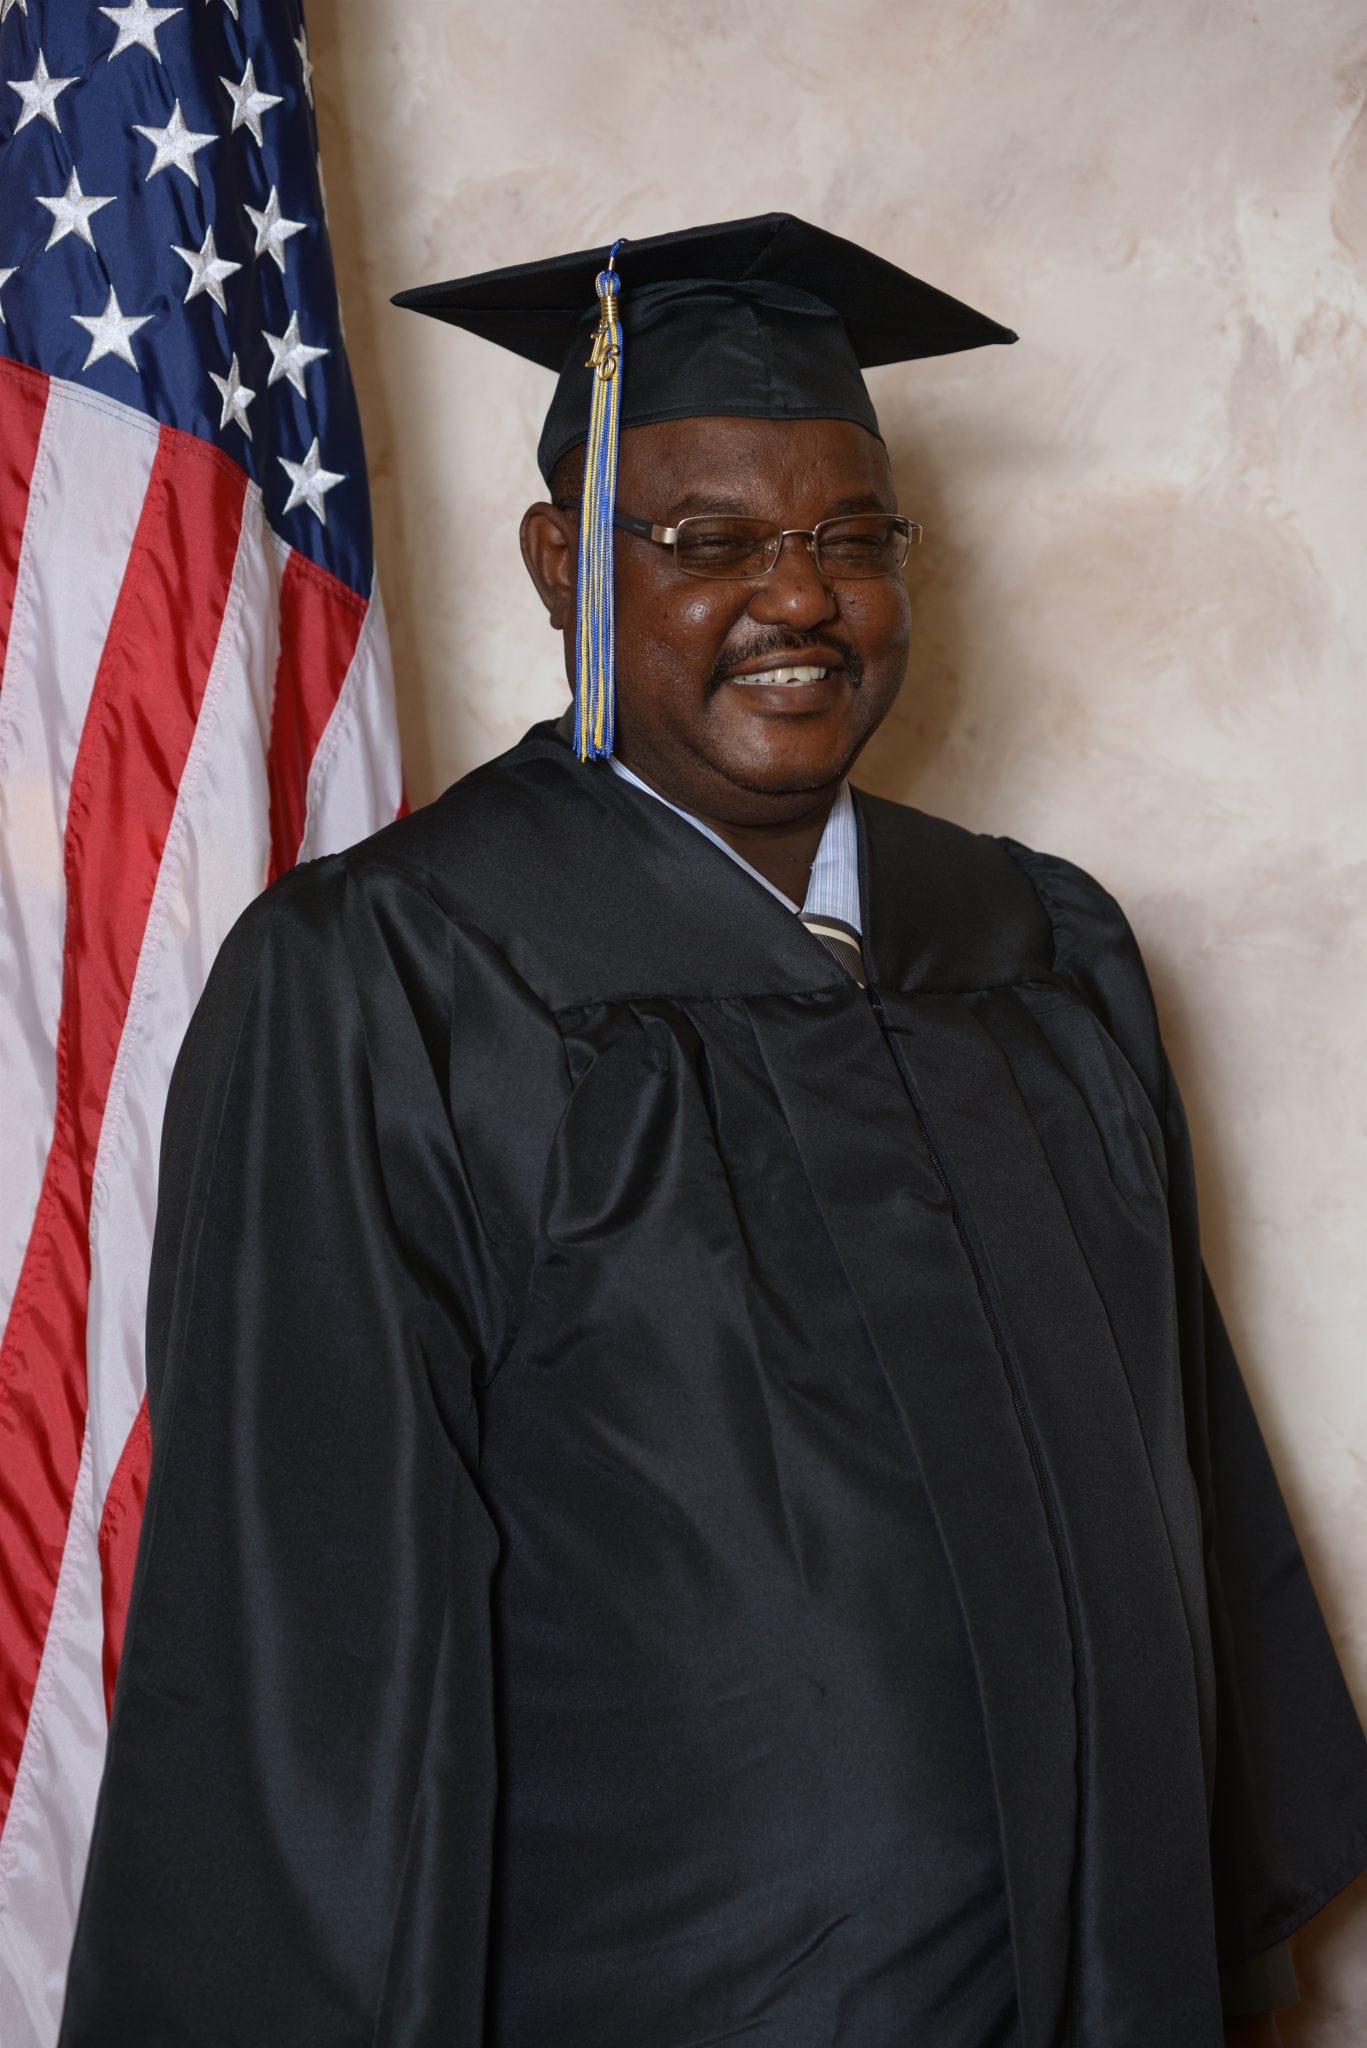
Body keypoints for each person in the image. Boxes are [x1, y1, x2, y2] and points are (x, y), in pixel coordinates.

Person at [59, 216, 1367, 2048]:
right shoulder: (396, 981)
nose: (799, 600)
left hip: (1103, 1974)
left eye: (853, 540)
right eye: (710, 542)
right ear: (562, 565)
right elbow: (307, 1634)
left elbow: (1184, 1469)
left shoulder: (1036, 944)